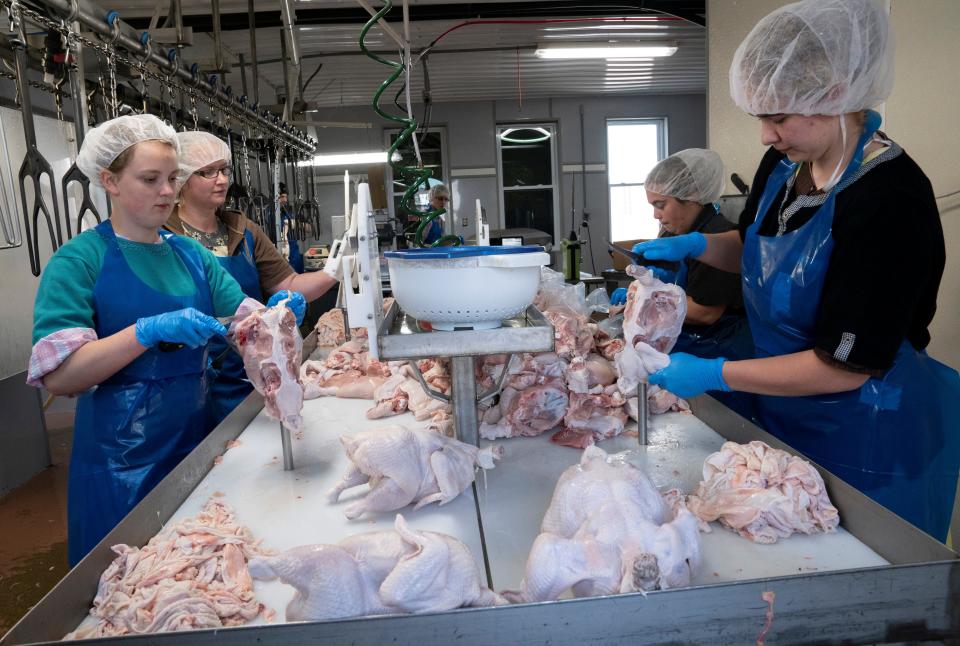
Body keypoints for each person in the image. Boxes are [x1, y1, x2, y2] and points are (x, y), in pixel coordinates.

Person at [634, 0, 960, 540]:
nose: (765, 135)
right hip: (788, 409)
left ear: (835, 94)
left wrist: (714, 374)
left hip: (868, 432)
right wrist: (697, 245)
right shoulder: (786, 166)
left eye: (778, 117)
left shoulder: (889, 198)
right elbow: (762, 251)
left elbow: (846, 365)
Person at [27, 115, 298, 565]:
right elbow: (61, 377)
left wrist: (277, 322)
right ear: (109, 180)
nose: (168, 192)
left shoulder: (190, 254)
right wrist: (144, 333)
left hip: (199, 442)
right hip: (120, 465)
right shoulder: (79, 261)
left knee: (202, 575)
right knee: (129, 589)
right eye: (150, 179)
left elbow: (245, 324)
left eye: (173, 178)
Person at [166, 131, 337, 426]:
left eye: (223, 170)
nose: (221, 180)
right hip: (189, 381)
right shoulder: (165, 237)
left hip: (253, 372)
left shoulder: (242, 231)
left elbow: (290, 285)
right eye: (207, 172)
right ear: (181, 178)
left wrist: (336, 271)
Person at [610, 149, 752, 361]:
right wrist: (642, 288)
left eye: (661, 205)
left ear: (692, 195)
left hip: (716, 351)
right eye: (653, 206)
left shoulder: (719, 237)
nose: (656, 215)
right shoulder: (672, 233)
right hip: (682, 343)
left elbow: (706, 313)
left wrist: (644, 300)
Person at [408, 181, 448, 245]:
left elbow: (441, 239)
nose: (443, 202)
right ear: (432, 198)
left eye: (446, 199)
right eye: (440, 198)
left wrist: (451, 240)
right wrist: (430, 247)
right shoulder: (426, 216)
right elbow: (418, 244)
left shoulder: (439, 218)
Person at [278, 184, 305, 273]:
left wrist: (296, 224)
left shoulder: (292, 211)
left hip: (294, 256)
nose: (285, 200)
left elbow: (310, 228)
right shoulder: (269, 214)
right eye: (282, 197)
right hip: (279, 256)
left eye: (286, 197)